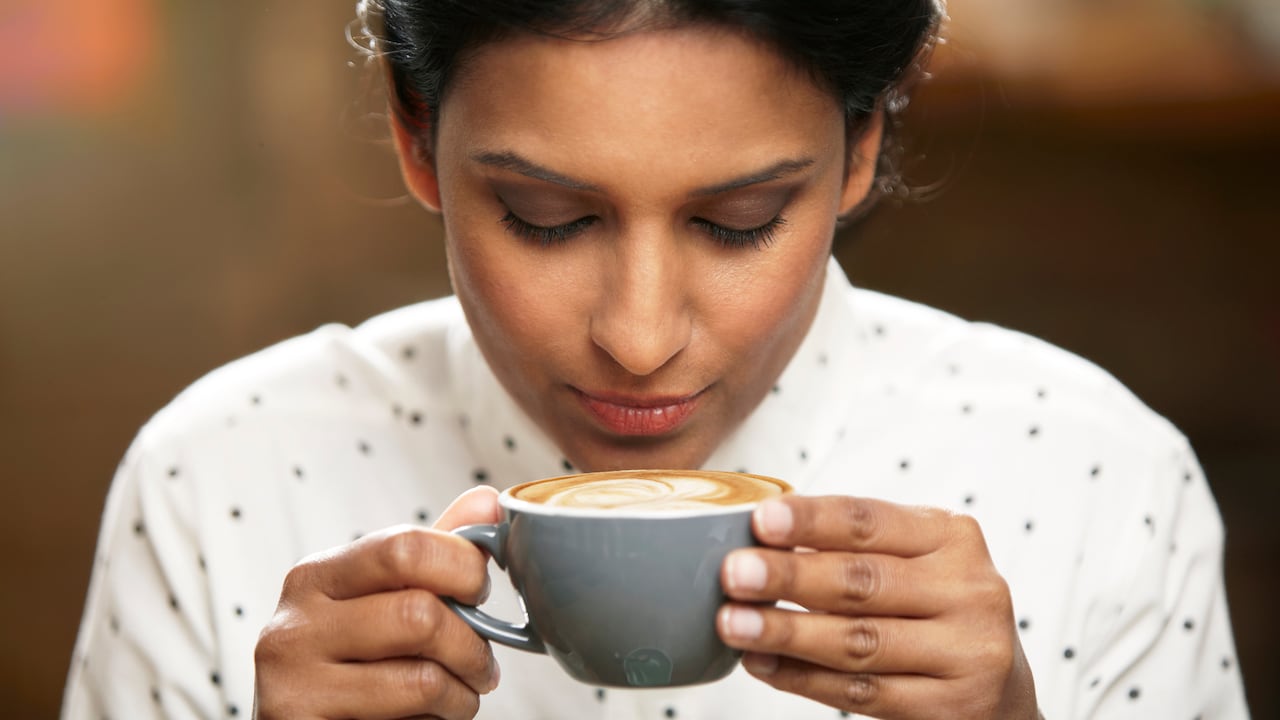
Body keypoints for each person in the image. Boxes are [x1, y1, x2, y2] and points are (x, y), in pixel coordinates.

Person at [63, 1, 1250, 718]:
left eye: (737, 223)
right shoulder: (215, 479)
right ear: (415, 133)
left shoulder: (1100, 480)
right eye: (544, 216)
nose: (637, 339)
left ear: (858, 148)